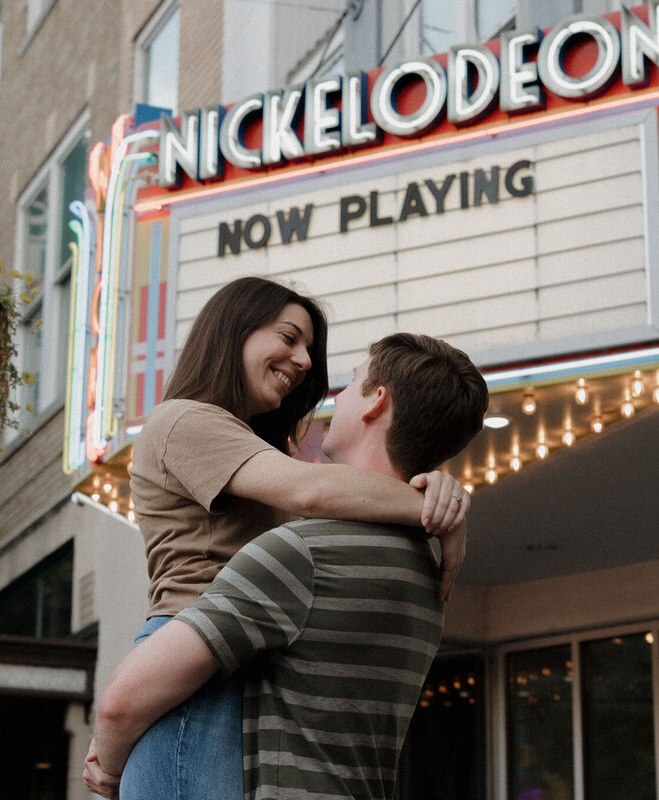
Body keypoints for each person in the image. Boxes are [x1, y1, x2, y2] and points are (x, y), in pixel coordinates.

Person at [92, 278, 471, 799]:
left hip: (226, 654)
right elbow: (310, 491)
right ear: (233, 331)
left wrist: (441, 494)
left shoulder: (254, 455)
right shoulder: (184, 419)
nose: (306, 361)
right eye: (290, 337)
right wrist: (436, 509)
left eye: (308, 349)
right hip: (188, 656)